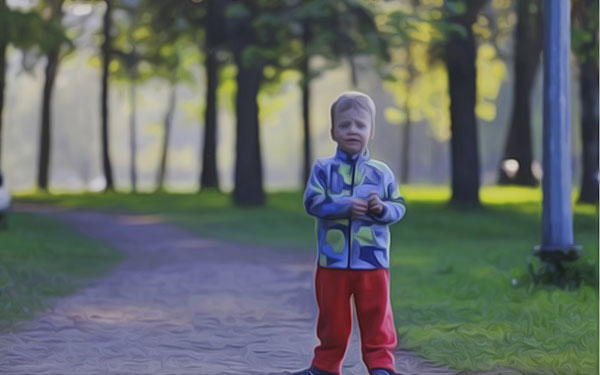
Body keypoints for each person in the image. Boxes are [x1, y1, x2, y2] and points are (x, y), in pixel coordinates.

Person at [293, 92, 407, 375]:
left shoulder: (382, 174)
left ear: (372, 131)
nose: (352, 130)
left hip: (372, 261)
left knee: (377, 316)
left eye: (360, 125)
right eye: (344, 125)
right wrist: (343, 205)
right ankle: (325, 366)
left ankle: (381, 365)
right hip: (332, 261)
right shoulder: (323, 169)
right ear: (333, 132)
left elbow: (399, 206)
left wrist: (381, 210)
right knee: (332, 317)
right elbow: (312, 202)